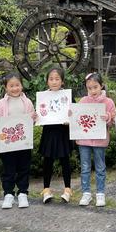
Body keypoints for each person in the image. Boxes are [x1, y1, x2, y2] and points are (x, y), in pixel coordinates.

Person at [0, 72, 36, 209]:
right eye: (11, 86)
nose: (15, 88)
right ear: (6, 87)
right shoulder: (0, 104)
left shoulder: (27, 102)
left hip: (23, 142)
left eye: (17, 85)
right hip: (7, 144)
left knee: (24, 168)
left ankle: (23, 193)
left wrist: (33, 117)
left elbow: (32, 120)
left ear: (22, 86)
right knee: (8, 169)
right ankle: (8, 194)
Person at [75, 73, 116, 207]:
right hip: (84, 140)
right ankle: (86, 193)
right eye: (89, 88)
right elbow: (77, 120)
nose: (92, 91)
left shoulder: (108, 102)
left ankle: (100, 194)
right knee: (85, 167)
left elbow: (113, 122)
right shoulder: (82, 101)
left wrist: (108, 117)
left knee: (100, 167)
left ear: (101, 86)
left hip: (99, 140)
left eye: (95, 87)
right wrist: (72, 115)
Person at [38, 66, 74, 204]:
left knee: (65, 160)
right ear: (47, 81)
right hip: (48, 132)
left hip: (63, 132)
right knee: (47, 161)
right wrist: (37, 116)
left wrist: (70, 118)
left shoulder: (67, 96)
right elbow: (40, 115)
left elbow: (74, 113)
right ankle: (46, 189)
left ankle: (68, 189)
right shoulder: (43, 97)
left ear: (62, 81)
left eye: (57, 79)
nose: (54, 82)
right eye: (51, 79)